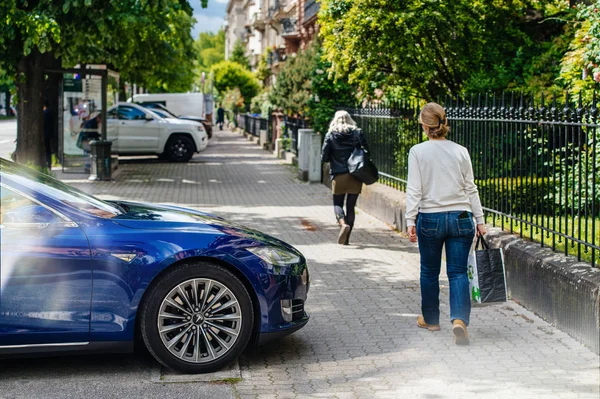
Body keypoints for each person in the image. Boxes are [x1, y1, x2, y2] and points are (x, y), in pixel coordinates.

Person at [405, 102, 486, 345]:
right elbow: (470, 188)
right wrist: (480, 220)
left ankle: (431, 320)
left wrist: (410, 219)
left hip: (430, 217)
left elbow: (414, 189)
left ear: (424, 126)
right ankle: (459, 320)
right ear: (443, 123)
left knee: (429, 271)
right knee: (458, 272)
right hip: (461, 217)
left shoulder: (418, 151)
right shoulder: (461, 151)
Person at [321, 110, 370, 245]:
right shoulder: (357, 133)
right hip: (356, 174)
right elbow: (367, 151)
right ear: (349, 119)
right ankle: (347, 239)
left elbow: (324, 156)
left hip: (338, 174)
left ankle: (342, 224)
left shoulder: (330, 135)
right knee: (351, 206)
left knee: (337, 203)